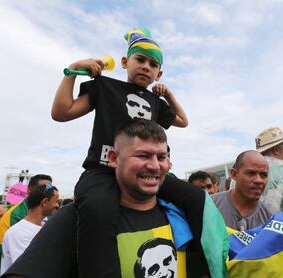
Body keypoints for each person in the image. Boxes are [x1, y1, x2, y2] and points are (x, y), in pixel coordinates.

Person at [2, 119, 227, 278]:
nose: (154, 165)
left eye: (161, 157)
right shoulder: (79, 216)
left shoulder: (185, 214)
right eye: (142, 155)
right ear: (113, 158)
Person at [51, 28, 189, 276]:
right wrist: (72, 69)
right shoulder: (105, 87)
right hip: (102, 171)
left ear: (160, 73)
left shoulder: (157, 102)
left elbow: (182, 120)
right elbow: (62, 112)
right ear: (125, 62)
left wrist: (168, 93)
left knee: (195, 198)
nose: (146, 67)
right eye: (140, 60)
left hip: (148, 174)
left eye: (153, 64)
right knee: (97, 208)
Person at [0, 184, 59, 274]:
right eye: (56, 201)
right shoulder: (19, 233)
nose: (57, 205)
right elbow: (27, 270)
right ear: (45, 202)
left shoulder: (44, 225)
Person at [212, 150, 271, 230]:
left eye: (263, 175)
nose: (258, 180)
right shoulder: (211, 206)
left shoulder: (269, 219)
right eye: (251, 173)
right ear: (234, 174)